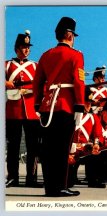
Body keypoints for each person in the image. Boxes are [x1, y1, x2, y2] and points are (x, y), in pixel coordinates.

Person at [33, 17, 85, 197]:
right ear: (69, 35)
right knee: (62, 149)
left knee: (48, 150)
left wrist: (38, 103)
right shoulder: (76, 55)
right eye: (73, 35)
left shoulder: (45, 55)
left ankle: (50, 187)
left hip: (47, 107)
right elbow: (79, 83)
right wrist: (79, 106)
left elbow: (37, 82)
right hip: (65, 106)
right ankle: (60, 187)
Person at [5, 30, 41, 188]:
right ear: (16, 48)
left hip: (32, 112)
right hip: (13, 111)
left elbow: (42, 84)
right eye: (23, 47)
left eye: (28, 47)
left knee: (33, 147)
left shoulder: (35, 66)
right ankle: (13, 177)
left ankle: (31, 178)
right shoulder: (6, 65)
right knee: (13, 146)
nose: (26, 50)